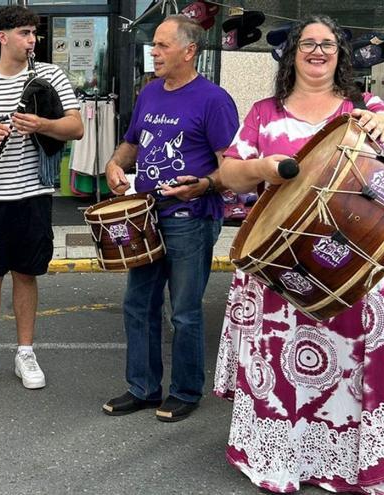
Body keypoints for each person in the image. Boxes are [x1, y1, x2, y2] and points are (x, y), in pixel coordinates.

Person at [214, 16, 384, 494]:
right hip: (283, 266)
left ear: (340, 55)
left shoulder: (364, 105)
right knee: (287, 364)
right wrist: (262, 168)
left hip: (358, 262)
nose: (318, 51)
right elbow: (228, 175)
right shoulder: (264, 112)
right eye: (308, 43)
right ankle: (287, 458)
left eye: (328, 44)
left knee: (351, 365)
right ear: (292, 53)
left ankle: (354, 462)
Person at [102, 14, 239, 421]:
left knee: (184, 310)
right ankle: (142, 388)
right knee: (137, 304)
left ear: (189, 50)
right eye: (154, 45)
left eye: (162, 45)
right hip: (145, 216)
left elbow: (230, 167)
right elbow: (132, 142)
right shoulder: (150, 92)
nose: (155, 52)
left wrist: (204, 185)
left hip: (191, 217)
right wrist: (113, 164)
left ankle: (185, 390)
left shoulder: (214, 99)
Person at [0, 5, 83, 393]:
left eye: (34, 34)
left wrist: (42, 124)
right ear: (3, 37)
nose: (32, 41)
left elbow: (75, 127)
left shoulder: (50, 75)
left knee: (27, 273)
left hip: (33, 194)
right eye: (25, 33)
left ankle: (25, 351)